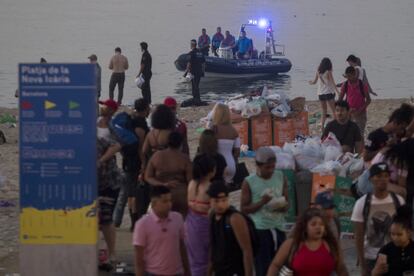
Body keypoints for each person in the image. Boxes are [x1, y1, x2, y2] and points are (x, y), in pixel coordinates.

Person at [240, 146, 289, 276]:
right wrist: (262, 202)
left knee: (283, 269)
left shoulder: (280, 176)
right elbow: (244, 209)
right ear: (258, 165)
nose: (271, 170)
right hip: (261, 230)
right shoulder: (249, 182)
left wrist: (282, 206)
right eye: (267, 167)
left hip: (279, 227)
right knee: (263, 268)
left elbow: (287, 202)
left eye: (273, 166)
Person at [351, 162, 405, 276]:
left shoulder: (399, 201)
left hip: (395, 257)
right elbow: (359, 236)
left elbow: (405, 231)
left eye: (386, 176)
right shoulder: (362, 204)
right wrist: (362, 265)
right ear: (371, 179)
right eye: (379, 176)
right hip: (371, 259)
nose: (383, 179)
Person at [266, 208, 348, 276]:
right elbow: (275, 265)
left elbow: (341, 268)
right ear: (305, 227)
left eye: (321, 224)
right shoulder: (292, 244)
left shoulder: (332, 245)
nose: (318, 227)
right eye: (313, 224)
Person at [133, 185, 190, 276]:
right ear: (154, 203)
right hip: (154, 273)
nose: (169, 204)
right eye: (164, 201)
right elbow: (139, 258)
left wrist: (187, 271)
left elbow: (182, 246)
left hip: (177, 272)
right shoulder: (142, 224)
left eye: (170, 200)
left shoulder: (178, 218)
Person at [113, 98, 150, 231]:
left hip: (127, 159)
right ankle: (135, 222)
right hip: (136, 161)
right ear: (145, 108)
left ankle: (133, 222)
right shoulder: (140, 124)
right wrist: (144, 163)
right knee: (134, 192)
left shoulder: (131, 120)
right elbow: (141, 147)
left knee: (130, 193)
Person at [207, 180, 254, 276]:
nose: (220, 205)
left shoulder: (234, 218)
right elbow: (213, 247)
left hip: (235, 270)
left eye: (224, 200)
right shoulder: (211, 216)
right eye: (216, 201)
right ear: (210, 201)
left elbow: (247, 251)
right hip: (220, 270)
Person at [145, 132, 192, 217]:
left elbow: (148, 177)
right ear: (180, 144)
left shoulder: (157, 156)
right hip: (181, 195)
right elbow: (190, 181)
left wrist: (163, 184)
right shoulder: (184, 158)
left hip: (161, 195)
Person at [185, 154, 216, 276]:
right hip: (204, 226)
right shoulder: (210, 187)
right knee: (205, 258)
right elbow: (213, 210)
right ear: (210, 171)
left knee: (193, 257)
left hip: (190, 223)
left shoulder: (192, 183)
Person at [372, 205, 414, 276]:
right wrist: (376, 272)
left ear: (409, 233)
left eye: (399, 234)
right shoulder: (385, 251)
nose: (395, 238)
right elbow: (374, 274)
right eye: (392, 234)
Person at [209, 103, 240, 185]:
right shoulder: (233, 130)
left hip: (217, 165)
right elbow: (237, 152)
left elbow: (207, 147)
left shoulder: (213, 129)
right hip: (230, 164)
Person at [339, 66, 371, 137]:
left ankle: (360, 148)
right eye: (347, 77)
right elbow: (339, 100)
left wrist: (359, 111)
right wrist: (346, 110)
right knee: (348, 134)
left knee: (359, 135)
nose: (348, 79)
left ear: (355, 74)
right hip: (348, 114)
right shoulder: (345, 84)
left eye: (350, 76)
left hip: (360, 114)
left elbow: (368, 100)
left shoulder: (362, 85)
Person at [309, 57, 340, 130]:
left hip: (320, 93)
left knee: (324, 111)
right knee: (334, 110)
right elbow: (332, 82)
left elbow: (314, 82)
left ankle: (322, 127)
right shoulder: (328, 71)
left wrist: (310, 82)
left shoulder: (318, 71)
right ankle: (337, 126)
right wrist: (338, 92)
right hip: (328, 93)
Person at [142, 104, 175, 169]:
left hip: (155, 163)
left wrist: (152, 155)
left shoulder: (150, 134)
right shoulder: (170, 133)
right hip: (168, 163)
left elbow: (144, 150)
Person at [385, 138, 414, 207]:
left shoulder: (390, 152)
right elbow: (401, 184)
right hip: (375, 184)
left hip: (368, 180)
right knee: (403, 191)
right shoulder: (403, 162)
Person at [186, 39, 206, 105]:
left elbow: (189, 63)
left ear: (192, 45)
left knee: (194, 86)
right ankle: (197, 99)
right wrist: (203, 71)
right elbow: (203, 63)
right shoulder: (200, 52)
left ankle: (196, 99)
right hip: (199, 72)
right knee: (197, 85)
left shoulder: (192, 53)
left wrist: (187, 71)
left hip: (193, 72)